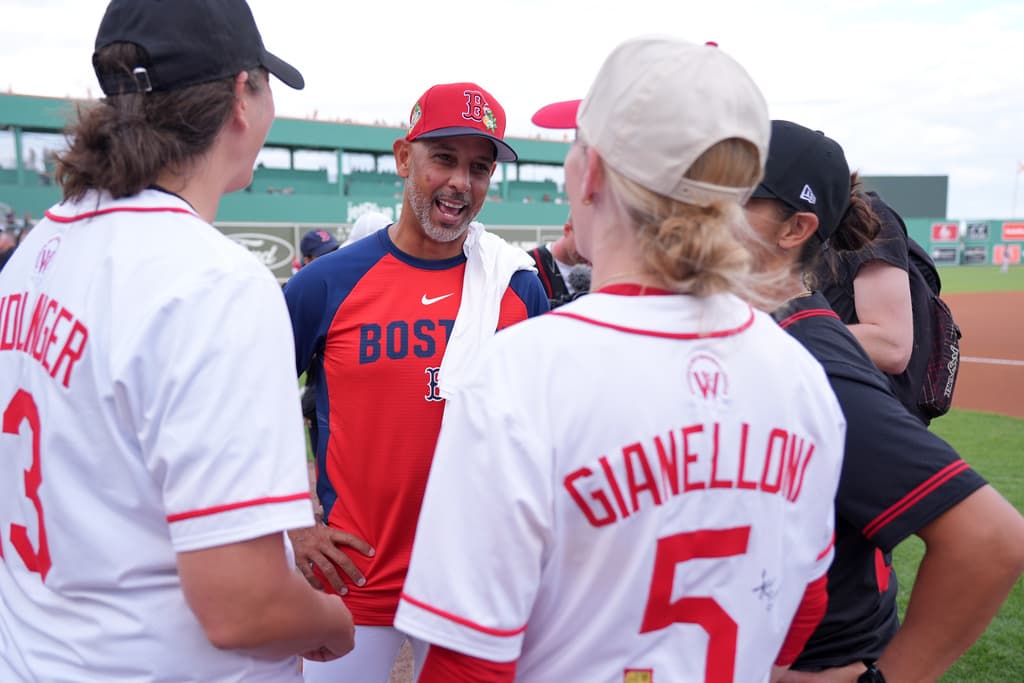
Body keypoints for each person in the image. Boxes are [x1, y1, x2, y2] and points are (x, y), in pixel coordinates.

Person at [394, 38, 847, 682]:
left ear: (593, 172)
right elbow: (804, 607)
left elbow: (467, 663)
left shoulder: (525, 370)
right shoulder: (799, 372)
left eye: (575, 145)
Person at [0, 1, 356, 681]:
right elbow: (242, 606)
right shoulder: (211, 280)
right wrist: (335, 625)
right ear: (240, 98)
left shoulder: (35, 248)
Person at [283, 81, 549, 682]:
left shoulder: (513, 284)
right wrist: (292, 525)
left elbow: (550, 424)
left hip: (473, 579)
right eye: (444, 159)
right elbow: (246, 396)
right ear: (406, 158)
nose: (461, 182)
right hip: (356, 576)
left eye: (480, 168)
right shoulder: (329, 281)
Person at [744, 120, 1024, 682]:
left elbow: (991, 541)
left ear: (796, 228)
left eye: (732, 194)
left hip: (819, 658)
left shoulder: (807, 352)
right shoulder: (756, 337)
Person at [524, 213, 591, 308]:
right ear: (567, 230)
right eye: (584, 243)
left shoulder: (599, 267)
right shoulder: (529, 264)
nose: (588, 252)